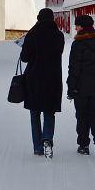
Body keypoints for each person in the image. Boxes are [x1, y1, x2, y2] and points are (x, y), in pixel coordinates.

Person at [19, 8, 65, 158]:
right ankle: (47, 139)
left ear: (39, 18)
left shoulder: (32, 35)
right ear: (52, 19)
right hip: (52, 79)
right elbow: (58, 53)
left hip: (34, 79)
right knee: (49, 112)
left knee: (35, 113)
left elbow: (24, 58)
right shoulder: (59, 36)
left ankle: (38, 147)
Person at [67, 14, 95, 157]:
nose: (75, 28)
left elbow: (73, 69)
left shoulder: (78, 44)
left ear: (82, 27)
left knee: (82, 115)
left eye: (77, 25)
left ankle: (84, 145)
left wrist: (71, 88)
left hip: (82, 87)